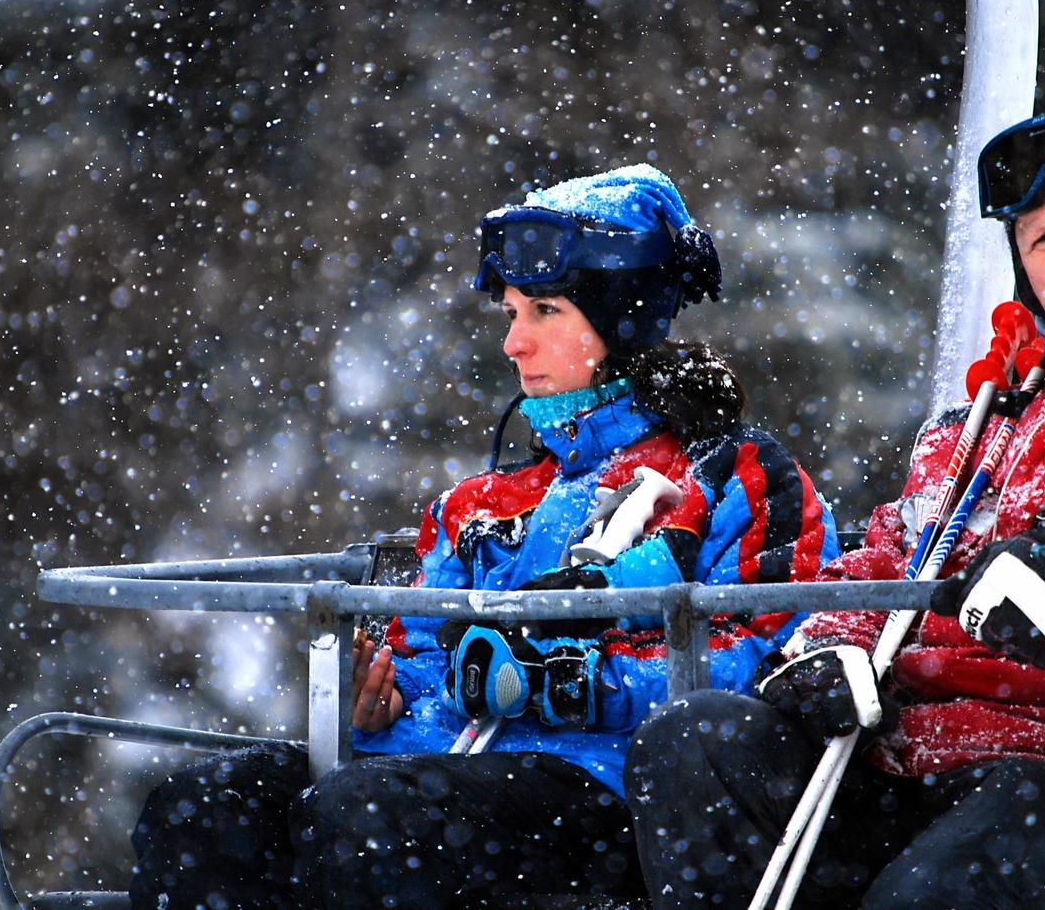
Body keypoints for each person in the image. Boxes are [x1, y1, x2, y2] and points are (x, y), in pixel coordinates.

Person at [626, 72, 1045, 910]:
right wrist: (828, 646)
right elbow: (892, 559)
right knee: (695, 744)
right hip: (917, 761)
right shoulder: (988, 414)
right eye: (1043, 240)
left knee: (952, 877)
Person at [130, 164, 839, 908]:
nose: (514, 344)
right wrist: (384, 698)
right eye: (510, 315)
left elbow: (762, 661)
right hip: (435, 768)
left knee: (367, 819)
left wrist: (576, 686)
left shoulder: (729, 474)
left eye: (543, 312)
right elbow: (422, 658)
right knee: (204, 806)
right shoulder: (477, 504)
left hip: (602, 786)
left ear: (619, 318)